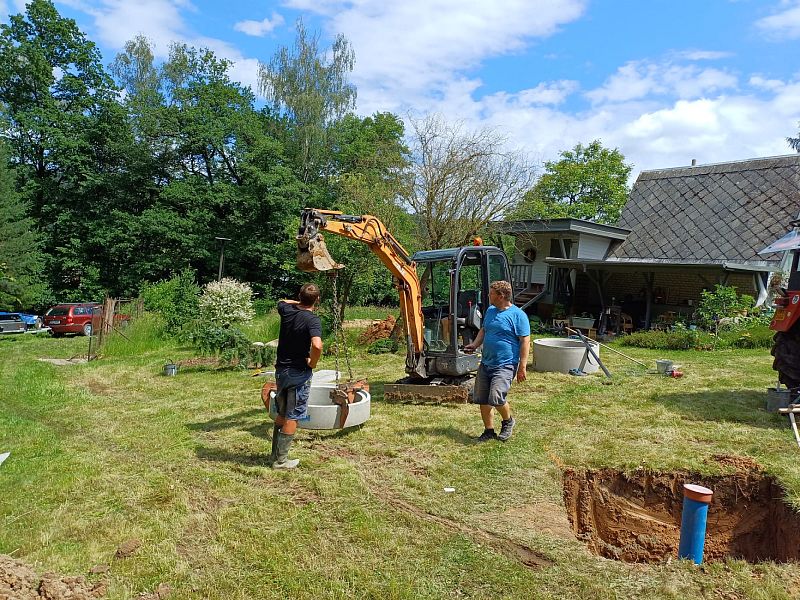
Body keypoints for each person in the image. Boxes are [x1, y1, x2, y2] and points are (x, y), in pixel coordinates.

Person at [464, 280, 530, 442]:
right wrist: (475, 344)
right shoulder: (491, 311)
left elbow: (525, 341)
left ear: (501, 296)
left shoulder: (518, 315)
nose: (488, 295)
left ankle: (508, 421)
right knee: (482, 398)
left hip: (506, 364)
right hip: (487, 362)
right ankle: (489, 431)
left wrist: (522, 366)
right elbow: (484, 330)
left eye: (491, 293)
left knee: (496, 397)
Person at [270, 283, 323, 469]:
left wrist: (299, 300)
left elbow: (282, 301)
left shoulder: (286, 310)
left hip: (281, 371)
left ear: (299, 296)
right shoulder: (312, 320)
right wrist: (313, 363)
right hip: (299, 373)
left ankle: (274, 455)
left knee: (282, 413)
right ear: (317, 300)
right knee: (293, 416)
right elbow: (317, 345)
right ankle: (281, 461)